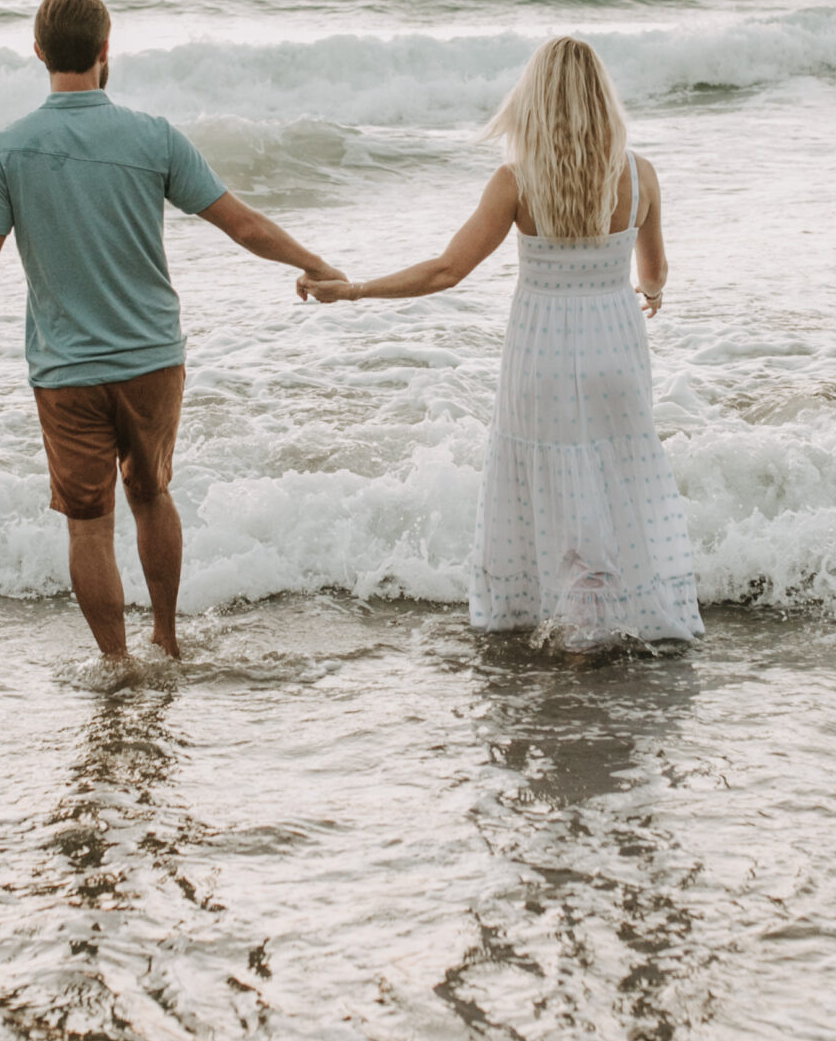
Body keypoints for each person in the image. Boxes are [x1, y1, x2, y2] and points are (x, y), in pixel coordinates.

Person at [0, 0, 343, 662]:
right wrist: (318, 266)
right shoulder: (152, 136)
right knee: (152, 495)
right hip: (153, 358)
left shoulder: (6, 151)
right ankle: (166, 639)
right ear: (106, 50)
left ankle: (116, 662)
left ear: (39, 52)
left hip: (66, 370)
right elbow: (241, 223)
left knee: (87, 525)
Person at [299, 37, 702, 652]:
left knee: (547, 476)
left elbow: (445, 271)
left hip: (541, 354)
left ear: (534, 99)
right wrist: (652, 291)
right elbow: (655, 271)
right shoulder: (638, 173)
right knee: (616, 474)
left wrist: (352, 290)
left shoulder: (516, 181)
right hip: (615, 350)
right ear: (602, 98)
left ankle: (567, 625)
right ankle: (605, 619)